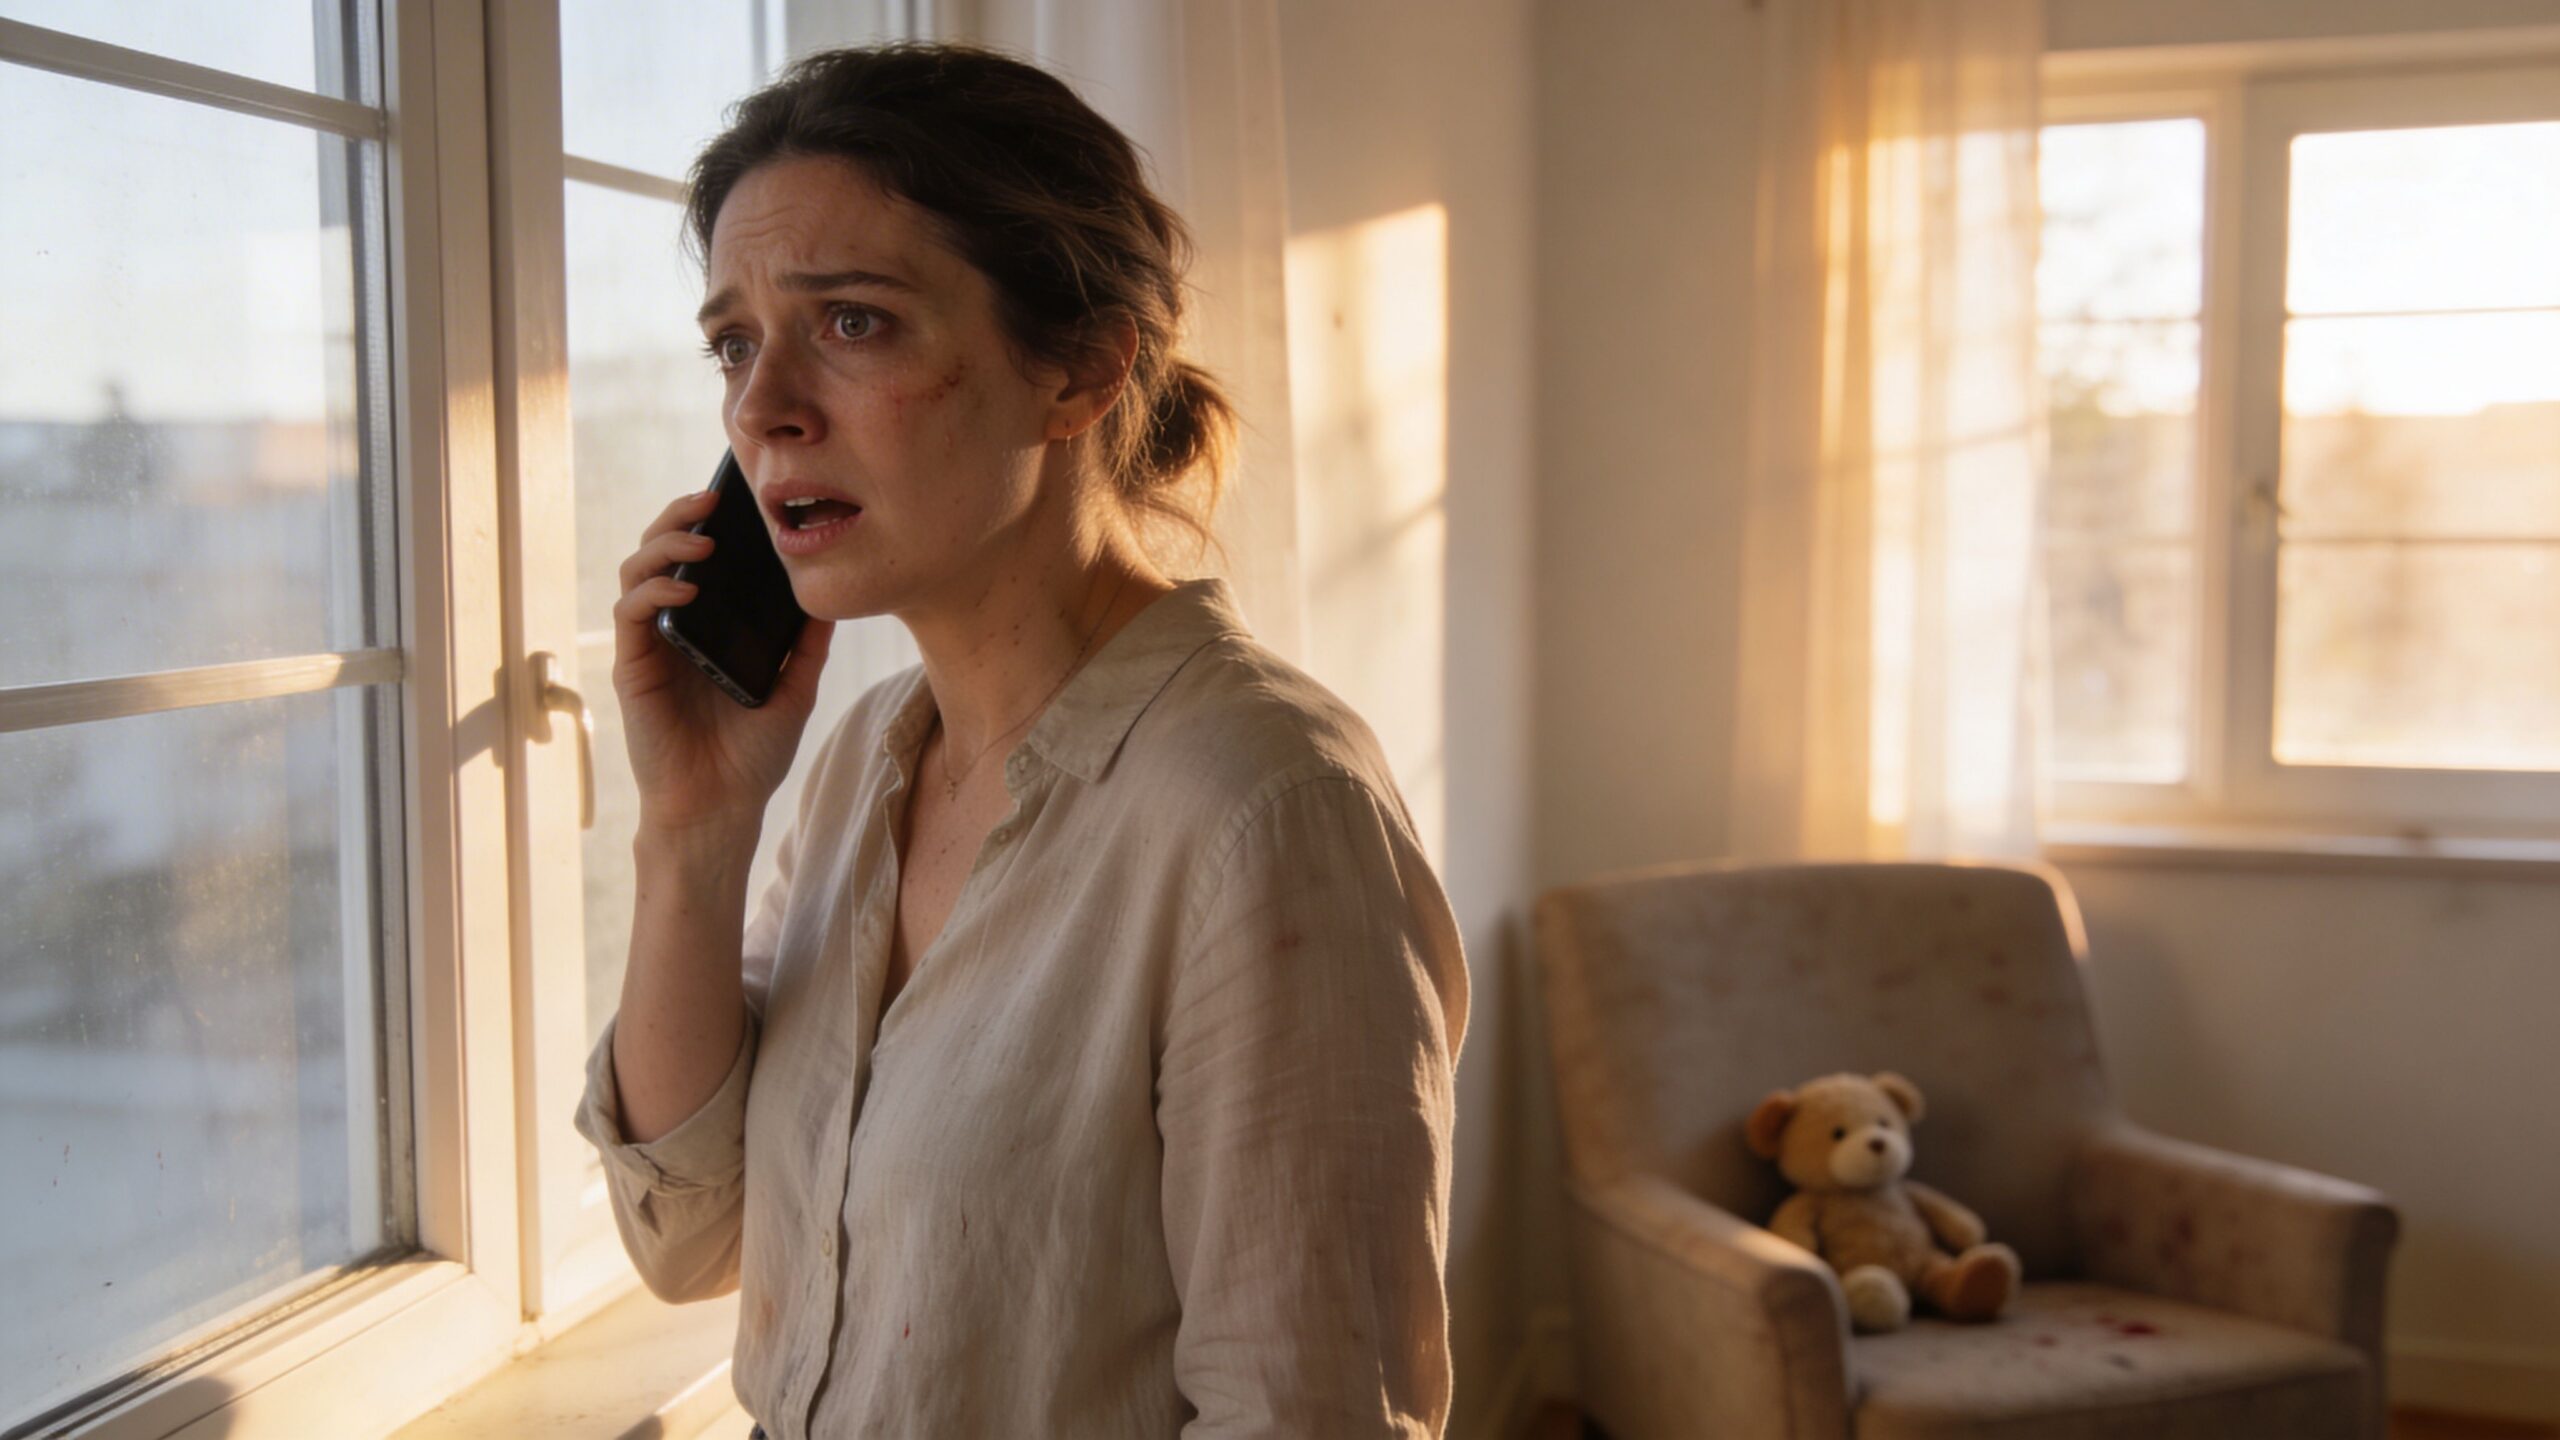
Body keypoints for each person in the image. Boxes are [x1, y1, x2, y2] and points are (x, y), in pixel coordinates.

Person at [572, 43, 1470, 1440]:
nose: (761, 410)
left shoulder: (1267, 814)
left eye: (852, 323)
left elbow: (1311, 1417)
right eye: (736, 343)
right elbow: (689, 1241)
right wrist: (692, 834)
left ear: (1081, 372)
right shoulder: (865, 760)